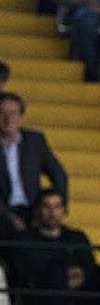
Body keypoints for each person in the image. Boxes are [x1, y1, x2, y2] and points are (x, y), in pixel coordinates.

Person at [1, 92, 68, 237]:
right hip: (3, 211)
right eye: (2, 114)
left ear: (21, 117)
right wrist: (9, 217)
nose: (8, 119)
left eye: (13, 114)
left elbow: (59, 175)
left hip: (33, 209)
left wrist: (56, 208)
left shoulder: (35, 140)